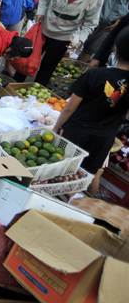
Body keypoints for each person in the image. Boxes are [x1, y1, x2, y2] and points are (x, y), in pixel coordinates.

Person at [53, 27, 129, 195]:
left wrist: (56, 127)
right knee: (83, 176)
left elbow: (69, 108)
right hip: (103, 139)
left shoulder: (95, 75)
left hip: (76, 133)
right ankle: (77, 202)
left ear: (115, 48)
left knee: (59, 172)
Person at [34, 0, 103, 86]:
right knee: (28, 61)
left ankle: (36, 92)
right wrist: (41, 11)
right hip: (43, 31)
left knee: (47, 68)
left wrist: (79, 39)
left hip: (64, 37)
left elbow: (91, 22)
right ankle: (14, 85)